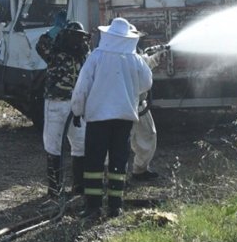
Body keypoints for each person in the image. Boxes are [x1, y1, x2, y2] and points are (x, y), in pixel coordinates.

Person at [71, 17, 153, 219]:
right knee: (119, 160)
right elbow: (147, 83)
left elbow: (82, 87)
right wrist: (128, 89)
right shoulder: (135, 59)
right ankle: (115, 207)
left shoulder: (96, 56)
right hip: (124, 118)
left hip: (98, 118)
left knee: (94, 163)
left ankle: (93, 208)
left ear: (108, 35)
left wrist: (76, 110)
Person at [35, 15, 90, 199]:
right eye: (75, 35)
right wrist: (52, 31)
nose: (78, 40)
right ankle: (54, 189)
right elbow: (40, 45)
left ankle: (79, 187)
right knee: (53, 145)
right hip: (55, 103)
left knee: (80, 144)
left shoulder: (84, 55)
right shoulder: (54, 53)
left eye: (80, 36)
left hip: (77, 105)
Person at [131, 36, 168, 182]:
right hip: (125, 106)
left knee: (149, 135)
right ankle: (112, 174)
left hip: (140, 105)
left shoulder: (136, 55)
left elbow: (145, 65)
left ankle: (140, 170)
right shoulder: (122, 57)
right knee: (119, 141)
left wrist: (157, 55)